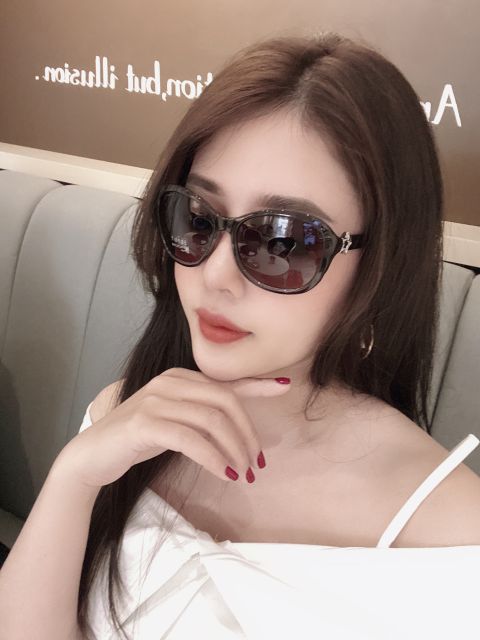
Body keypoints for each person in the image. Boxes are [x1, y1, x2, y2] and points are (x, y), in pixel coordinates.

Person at [1, 30, 480, 640]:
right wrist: (74, 476)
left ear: (381, 268)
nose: (215, 275)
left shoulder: (452, 540)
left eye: (284, 241)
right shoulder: (128, 416)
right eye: (197, 219)